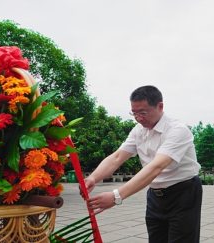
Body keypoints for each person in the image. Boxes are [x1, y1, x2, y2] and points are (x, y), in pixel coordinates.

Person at [82, 85, 203, 243]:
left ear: (160, 106)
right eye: (134, 113)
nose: (138, 118)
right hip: (155, 196)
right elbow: (118, 157)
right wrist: (93, 178)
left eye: (143, 112)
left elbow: (156, 167)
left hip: (183, 194)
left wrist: (116, 196)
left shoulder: (177, 130)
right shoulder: (138, 131)